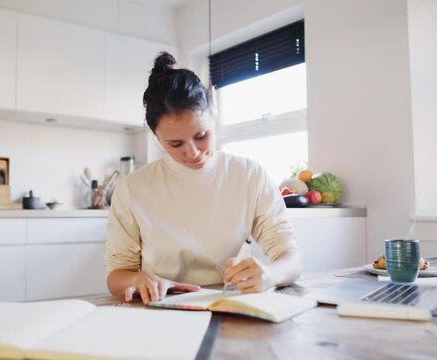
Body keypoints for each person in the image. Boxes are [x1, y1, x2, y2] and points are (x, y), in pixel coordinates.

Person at [105, 52, 301, 305]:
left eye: (201, 136)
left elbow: (291, 260)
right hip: (162, 307)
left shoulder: (249, 175)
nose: (193, 152)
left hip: (231, 303)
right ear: (156, 137)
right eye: (175, 143)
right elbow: (116, 277)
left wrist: (270, 274)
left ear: (214, 115)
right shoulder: (133, 188)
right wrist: (135, 280)